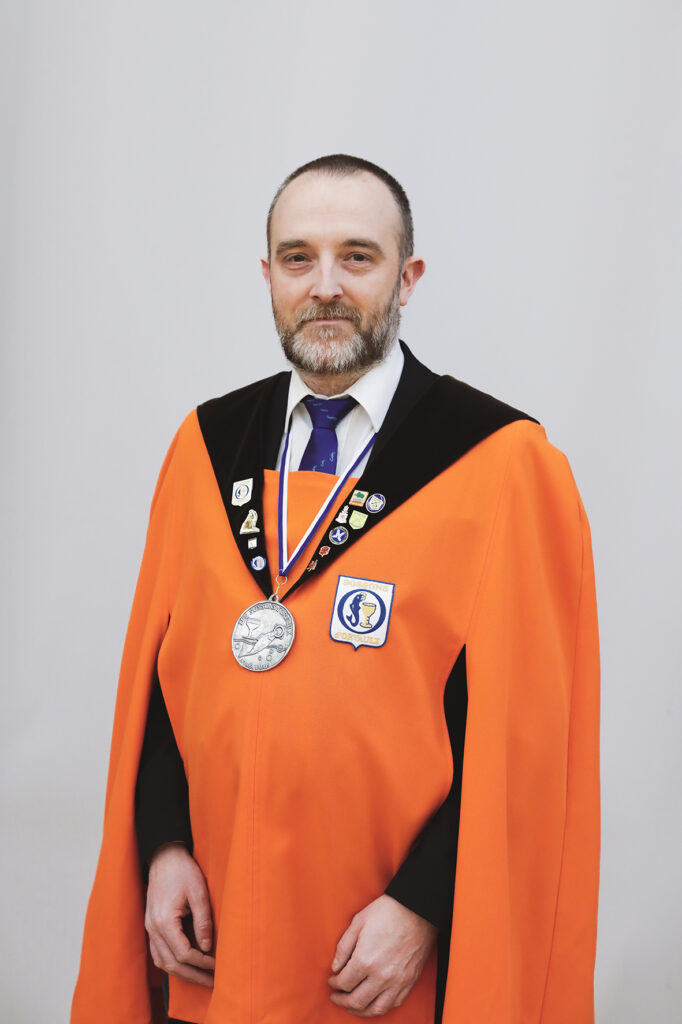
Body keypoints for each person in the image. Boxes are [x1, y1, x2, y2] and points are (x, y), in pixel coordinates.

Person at [71, 155, 601, 1024]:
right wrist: (164, 847)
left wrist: (425, 905)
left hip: (378, 953)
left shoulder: (501, 461)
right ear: (268, 276)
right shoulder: (204, 444)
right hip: (218, 935)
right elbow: (160, 688)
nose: (325, 286)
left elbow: (527, 738)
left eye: (357, 256)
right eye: (298, 258)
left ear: (407, 278)